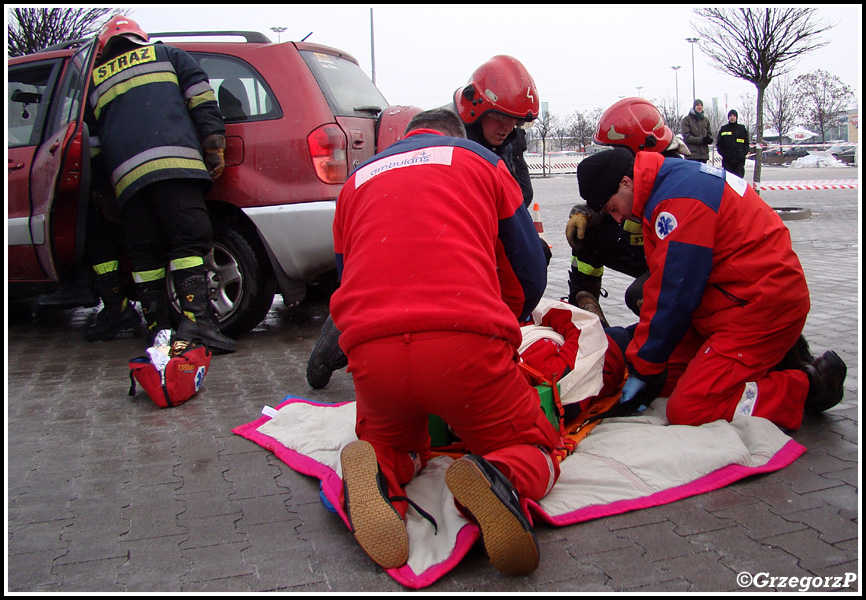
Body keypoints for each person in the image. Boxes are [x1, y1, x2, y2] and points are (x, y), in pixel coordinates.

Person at [333, 108, 560, 576]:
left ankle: (381, 468)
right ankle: (500, 474)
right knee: (537, 446)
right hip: (463, 342)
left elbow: (345, 277)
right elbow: (528, 266)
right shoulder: (482, 161)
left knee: (398, 444)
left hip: (373, 352)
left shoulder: (356, 182)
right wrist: (513, 316)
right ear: (456, 133)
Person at [306, 55, 543, 389]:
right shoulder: (448, 136)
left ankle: (359, 326)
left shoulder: (504, 142)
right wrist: (500, 326)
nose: (508, 127)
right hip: (421, 246)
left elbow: (522, 192)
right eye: (502, 117)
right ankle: (336, 337)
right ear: (477, 108)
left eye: (516, 121)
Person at [574, 147, 847, 431]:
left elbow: (674, 292)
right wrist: (647, 361)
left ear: (625, 183)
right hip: (732, 302)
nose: (618, 218)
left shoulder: (679, 200)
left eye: (613, 208)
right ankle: (749, 371)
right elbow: (668, 282)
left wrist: (645, 364)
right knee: (665, 376)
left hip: (760, 309)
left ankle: (808, 386)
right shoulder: (667, 186)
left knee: (691, 408)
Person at [87, 15, 235, 354]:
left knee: (144, 252)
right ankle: (197, 324)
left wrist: (104, 192)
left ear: (105, 46)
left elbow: (93, 145)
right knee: (189, 239)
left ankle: (158, 328)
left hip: (127, 180)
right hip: (176, 166)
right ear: (141, 37)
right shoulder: (168, 55)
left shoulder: (95, 80)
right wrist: (213, 145)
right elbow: (201, 98)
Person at [564, 98, 688, 325]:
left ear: (641, 146)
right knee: (589, 236)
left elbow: (685, 261)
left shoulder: (673, 184)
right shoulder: (635, 175)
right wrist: (585, 213)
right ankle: (586, 304)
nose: (615, 156)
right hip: (649, 250)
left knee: (639, 295)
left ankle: (672, 332)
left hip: (674, 261)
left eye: (619, 150)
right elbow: (612, 197)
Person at [716, 109, 749, 178]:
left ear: (736, 117)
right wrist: (724, 155)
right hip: (727, 162)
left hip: (739, 162)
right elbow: (719, 144)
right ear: (728, 117)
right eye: (730, 116)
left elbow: (746, 144)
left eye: (734, 116)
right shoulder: (724, 129)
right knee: (728, 181)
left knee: (739, 181)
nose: (732, 117)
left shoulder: (742, 129)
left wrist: (742, 154)